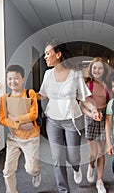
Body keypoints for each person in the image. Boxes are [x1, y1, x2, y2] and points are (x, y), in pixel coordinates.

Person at [37, 40, 101, 193]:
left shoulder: (75, 74)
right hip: (52, 120)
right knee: (57, 157)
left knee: (73, 157)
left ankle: (76, 168)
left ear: (58, 55)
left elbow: (85, 97)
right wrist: (24, 95)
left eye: (48, 53)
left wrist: (94, 110)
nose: (45, 57)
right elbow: (42, 95)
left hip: (72, 119)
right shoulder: (47, 74)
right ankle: (63, 190)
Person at [0, 64, 41, 193]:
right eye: (9, 79)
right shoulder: (4, 98)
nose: (13, 81)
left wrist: (16, 118)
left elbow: (34, 114)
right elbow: (2, 119)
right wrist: (20, 125)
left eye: (16, 78)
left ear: (23, 79)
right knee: (7, 171)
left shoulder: (30, 93)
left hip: (31, 138)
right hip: (13, 139)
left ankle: (36, 173)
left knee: (31, 169)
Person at [84, 57, 110, 193]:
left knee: (101, 152)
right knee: (93, 152)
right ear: (91, 69)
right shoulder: (88, 84)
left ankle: (99, 180)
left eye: (100, 68)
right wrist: (92, 114)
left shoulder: (107, 85)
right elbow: (82, 105)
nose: (97, 70)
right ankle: (91, 165)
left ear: (104, 70)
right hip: (90, 117)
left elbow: (110, 103)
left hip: (104, 116)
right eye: (94, 68)